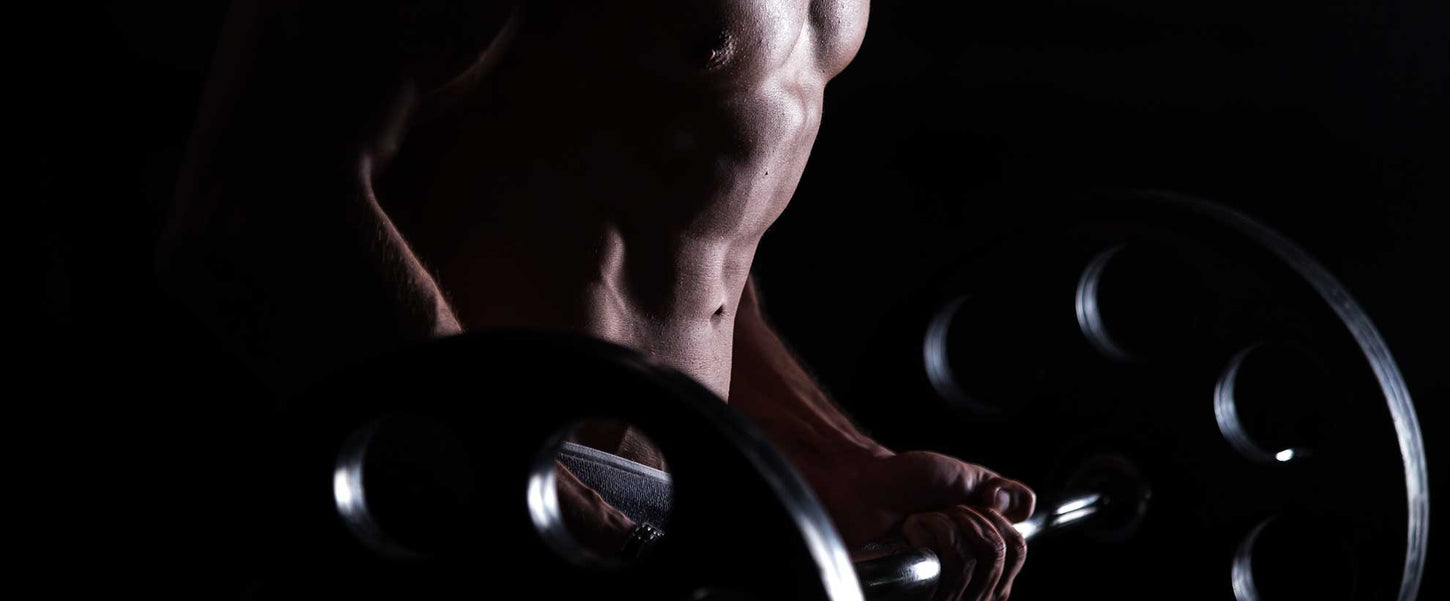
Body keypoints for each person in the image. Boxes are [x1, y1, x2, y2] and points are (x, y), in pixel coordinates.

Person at [158, 2, 1035, 599]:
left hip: (665, 518)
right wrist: (530, 486)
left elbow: (695, 237)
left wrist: (831, 463)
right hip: (463, 513)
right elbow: (255, 205)